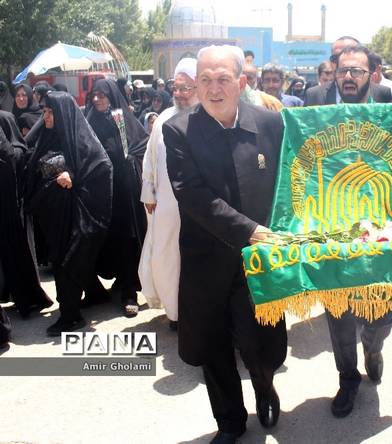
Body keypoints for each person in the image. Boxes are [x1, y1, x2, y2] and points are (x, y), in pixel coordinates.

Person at [162, 45, 287, 444]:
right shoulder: (178, 130)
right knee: (214, 347)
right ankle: (230, 422)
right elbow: (192, 194)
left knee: (259, 343)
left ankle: (265, 388)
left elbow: (289, 182)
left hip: (258, 260)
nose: (213, 89)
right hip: (207, 260)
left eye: (222, 79)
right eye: (205, 80)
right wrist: (248, 230)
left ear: (241, 82)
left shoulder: (270, 123)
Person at [303, 43, 392, 419]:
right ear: (335, 72)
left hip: (376, 219)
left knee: (380, 313)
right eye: (343, 70)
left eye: (357, 71)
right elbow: (302, 150)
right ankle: (348, 378)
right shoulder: (315, 98)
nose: (349, 77)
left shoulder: (385, 98)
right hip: (331, 221)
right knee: (338, 309)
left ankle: (373, 347)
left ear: (371, 74)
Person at [23, 92, 112, 336]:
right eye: (44, 112)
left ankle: (71, 318)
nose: (45, 117)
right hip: (53, 215)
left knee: (68, 261)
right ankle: (95, 293)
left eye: (50, 112)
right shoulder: (47, 136)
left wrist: (73, 176)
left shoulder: (82, 141)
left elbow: (102, 167)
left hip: (77, 217)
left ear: (63, 114)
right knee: (63, 259)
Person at [139, 57, 198, 331]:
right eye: (176, 87)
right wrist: (148, 193)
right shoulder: (163, 119)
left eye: (186, 88)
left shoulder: (207, 117)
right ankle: (175, 312)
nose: (179, 93)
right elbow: (149, 159)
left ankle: (194, 312)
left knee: (193, 260)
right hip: (166, 205)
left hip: (198, 208)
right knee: (167, 257)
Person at [87, 79, 148, 317]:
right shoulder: (90, 120)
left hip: (124, 193)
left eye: (102, 95)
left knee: (127, 241)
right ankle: (106, 286)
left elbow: (141, 144)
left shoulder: (124, 120)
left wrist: (130, 159)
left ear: (112, 97)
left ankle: (129, 292)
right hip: (100, 192)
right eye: (94, 95)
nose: (97, 100)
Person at [0, 111, 52, 317]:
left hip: (16, 212)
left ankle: (27, 300)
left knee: (20, 256)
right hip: (10, 211)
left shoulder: (16, 152)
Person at [304, 35, 392, 106]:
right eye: (335, 57)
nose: (348, 76)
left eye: (356, 70)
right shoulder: (313, 95)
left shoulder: (382, 94)